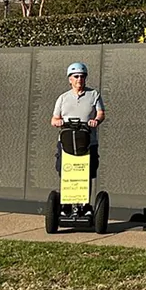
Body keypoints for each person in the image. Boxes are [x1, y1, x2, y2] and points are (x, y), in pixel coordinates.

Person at [51, 62, 105, 215]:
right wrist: (58, 122)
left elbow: (101, 113)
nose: (79, 79)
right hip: (67, 143)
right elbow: (54, 119)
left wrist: (96, 120)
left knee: (85, 173)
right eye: (76, 76)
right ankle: (66, 206)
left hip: (88, 142)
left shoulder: (94, 95)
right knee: (67, 172)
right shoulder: (63, 98)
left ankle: (84, 205)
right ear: (70, 79)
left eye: (82, 76)